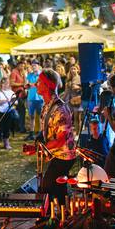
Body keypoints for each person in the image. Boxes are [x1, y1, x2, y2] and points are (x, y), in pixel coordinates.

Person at [36, 68, 76, 202]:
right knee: (58, 189)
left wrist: (41, 148)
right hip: (56, 154)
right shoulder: (47, 105)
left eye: (39, 82)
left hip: (64, 156)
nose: (36, 84)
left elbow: (61, 140)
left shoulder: (60, 109)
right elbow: (48, 131)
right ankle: (61, 216)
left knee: (47, 187)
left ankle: (53, 216)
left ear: (47, 85)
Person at [0, 77, 16, 151]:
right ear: (1, 84)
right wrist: (5, 100)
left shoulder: (11, 92)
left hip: (8, 112)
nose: (5, 85)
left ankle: (7, 144)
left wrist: (12, 101)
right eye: (4, 83)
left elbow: (15, 101)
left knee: (7, 128)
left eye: (7, 83)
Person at [25, 59, 44, 140]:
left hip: (40, 98)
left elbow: (41, 84)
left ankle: (41, 133)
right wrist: (32, 85)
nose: (34, 67)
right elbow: (26, 85)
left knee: (40, 116)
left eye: (35, 65)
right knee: (31, 116)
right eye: (32, 66)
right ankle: (31, 134)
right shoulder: (29, 75)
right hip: (31, 98)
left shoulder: (42, 75)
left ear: (38, 66)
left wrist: (32, 84)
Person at [10, 60, 27, 133]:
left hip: (22, 94)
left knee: (22, 111)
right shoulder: (14, 72)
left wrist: (24, 76)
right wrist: (21, 84)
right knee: (19, 112)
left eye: (23, 66)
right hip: (16, 95)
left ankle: (21, 127)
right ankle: (18, 128)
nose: (22, 67)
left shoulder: (22, 72)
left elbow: (25, 83)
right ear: (18, 65)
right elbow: (12, 83)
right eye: (21, 66)